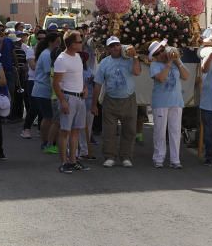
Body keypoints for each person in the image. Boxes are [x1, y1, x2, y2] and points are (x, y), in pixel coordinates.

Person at [92, 36, 142, 168]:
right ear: (108, 49)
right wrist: (94, 104)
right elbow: (97, 84)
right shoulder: (104, 63)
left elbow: (137, 72)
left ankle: (126, 156)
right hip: (110, 100)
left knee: (129, 130)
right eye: (112, 46)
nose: (115, 48)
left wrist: (135, 56)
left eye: (117, 45)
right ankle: (110, 156)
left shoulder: (129, 59)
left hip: (128, 99)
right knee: (109, 131)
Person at [53, 30, 88, 174]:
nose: (82, 43)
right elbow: (56, 83)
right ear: (72, 44)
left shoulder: (77, 57)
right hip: (68, 97)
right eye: (80, 41)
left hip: (79, 97)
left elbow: (78, 77)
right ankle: (63, 162)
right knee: (65, 131)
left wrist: (84, 87)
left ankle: (73, 160)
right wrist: (63, 101)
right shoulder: (61, 59)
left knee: (75, 131)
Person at [149, 40, 189, 168]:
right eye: (158, 53)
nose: (161, 53)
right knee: (160, 131)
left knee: (175, 131)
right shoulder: (154, 65)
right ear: (154, 56)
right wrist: (169, 63)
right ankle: (158, 158)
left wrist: (177, 61)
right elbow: (161, 78)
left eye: (162, 50)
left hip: (176, 101)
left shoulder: (175, 62)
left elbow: (186, 76)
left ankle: (175, 160)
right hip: (160, 102)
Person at [31, 32, 61, 154]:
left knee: (48, 117)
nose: (59, 44)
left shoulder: (48, 54)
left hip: (44, 90)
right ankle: (46, 142)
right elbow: (51, 73)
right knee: (48, 118)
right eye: (57, 42)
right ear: (50, 42)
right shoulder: (47, 55)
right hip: (43, 90)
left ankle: (48, 142)